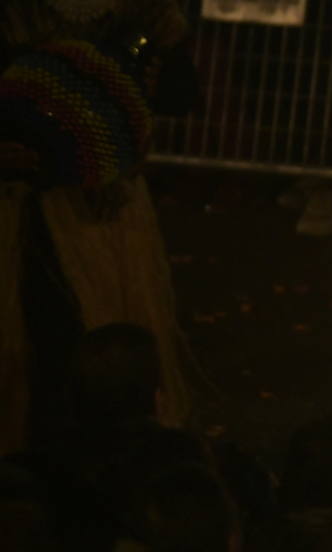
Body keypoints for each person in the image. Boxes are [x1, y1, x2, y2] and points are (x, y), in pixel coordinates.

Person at [0, 0, 198, 454]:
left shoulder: (144, 13)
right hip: (23, 203)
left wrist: (140, 94)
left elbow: (180, 90)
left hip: (102, 212)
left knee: (98, 341)